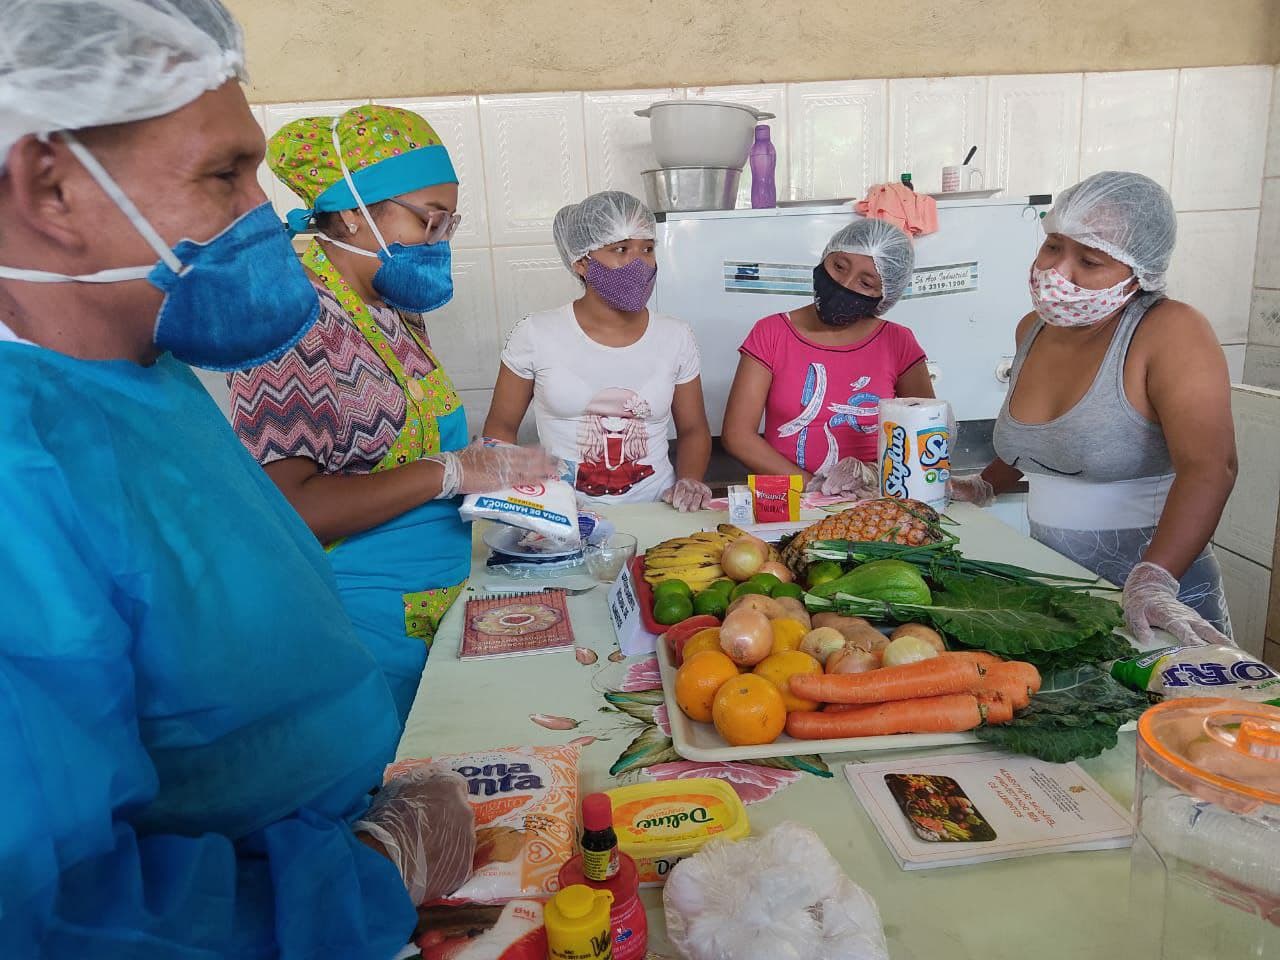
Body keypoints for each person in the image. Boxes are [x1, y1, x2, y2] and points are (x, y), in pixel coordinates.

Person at [0, 2, 475, 956]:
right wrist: (368, 875)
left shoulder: (147, 381)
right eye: (224, 174)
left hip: (327, 846)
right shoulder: (24, 469)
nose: (267, 216)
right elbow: (57, 911)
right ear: (47, 185)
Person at [228, 105, 555, 724]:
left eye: (449, 225)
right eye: (428, 220)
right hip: (361, 625)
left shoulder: (389, 304)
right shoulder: (289, 320)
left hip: (435, 597)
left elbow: (395, 454)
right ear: (353, 213)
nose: (438, 242)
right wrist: (451, 472)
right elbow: (291, 510)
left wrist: (507, 498)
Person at [951, 171, 1236, 646]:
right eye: (1052, 247)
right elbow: (1043, 447)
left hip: (1157, 595)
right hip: (1060, 582)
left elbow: (1212, 467)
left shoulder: (1170, 331)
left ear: (1138, 269)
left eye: (1089, 259)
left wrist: (1155, 579)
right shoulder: (1032, 329)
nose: (1059, 273)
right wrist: (984, 484)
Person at [483, 191, 713, 511]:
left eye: (647, 249)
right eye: (620, 249)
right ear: (581, 261)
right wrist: (517, 500)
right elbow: (500, 429)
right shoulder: (534, 333)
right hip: (563, 512)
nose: (639, 263)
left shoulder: (676, 335)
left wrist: (689, 480)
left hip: (657, 510)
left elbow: (693, 430)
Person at [721, 217, 935, 497]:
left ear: (885, 294)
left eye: (866, 282)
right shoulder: (771, 333)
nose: (844, 284)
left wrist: (868, 475)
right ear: (825, 258)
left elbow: (929, 433)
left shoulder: (898, 342)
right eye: (839, 266)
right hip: (790, 501)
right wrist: (813, 487)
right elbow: (738, 436)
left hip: (871, 503)